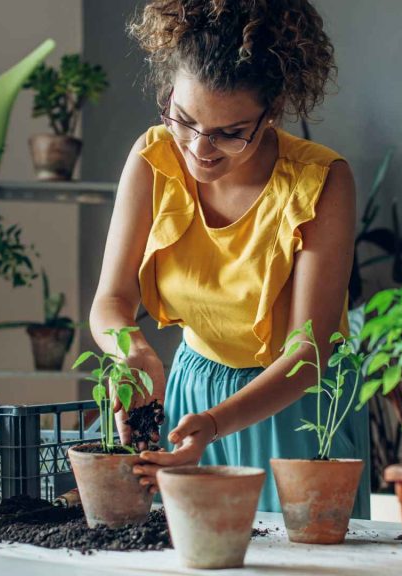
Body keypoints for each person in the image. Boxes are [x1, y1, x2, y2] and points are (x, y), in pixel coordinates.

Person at [88, 0, 369, 517]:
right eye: (184, 119)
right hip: (191, 390)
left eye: (229, 133)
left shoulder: (320, 183)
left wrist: (216, 424)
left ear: (274, 111)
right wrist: (131, 351)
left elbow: (309, 355)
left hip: (294, 406)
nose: (199, 149)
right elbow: (111, 299)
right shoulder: (153, 161)